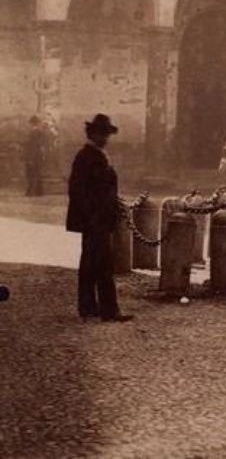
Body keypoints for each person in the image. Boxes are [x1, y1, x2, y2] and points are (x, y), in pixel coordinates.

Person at [66, 114, 133, 323]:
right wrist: (92, 217)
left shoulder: (96, 155)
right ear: (92, 134)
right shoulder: (86, 156)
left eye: (106, 134)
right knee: (103, 264)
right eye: (101, 134)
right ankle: (109, 310)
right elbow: (77, 191)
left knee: (90, 262)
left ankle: (87, 306)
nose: (105, 138)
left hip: (98, 219)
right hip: (96, 220)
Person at [24, 115, 44, 196]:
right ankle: (37, 192)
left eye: (31, 123)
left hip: (33, 156)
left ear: (32, 123)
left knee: (31, 173)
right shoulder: (37, 132)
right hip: (36, 155)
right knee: (35, 173)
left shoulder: (35, 132)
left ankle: (32, 191)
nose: (30, 125)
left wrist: (30, 158)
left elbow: (34, 146)